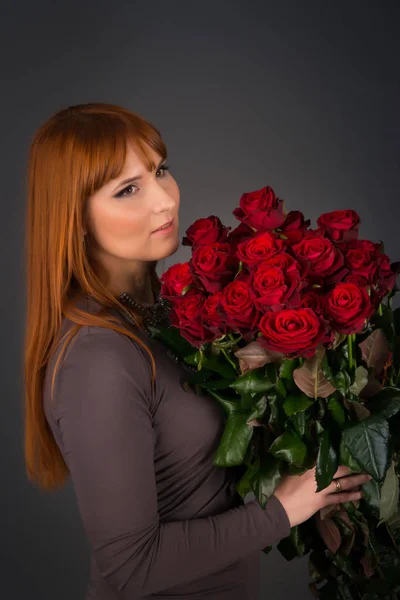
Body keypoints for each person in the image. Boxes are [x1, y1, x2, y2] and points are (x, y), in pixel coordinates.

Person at [23, 103, 371, 600]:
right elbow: (130, 567)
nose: (164, 200)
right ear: (73, 219)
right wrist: (283, 510)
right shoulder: (98, 358)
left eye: (160, 170)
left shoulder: (165, 314)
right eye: (128, 189)